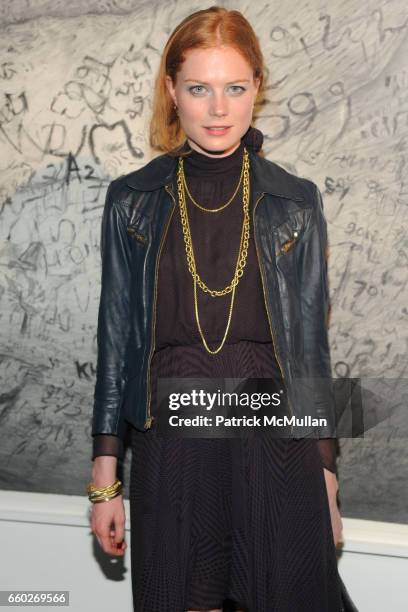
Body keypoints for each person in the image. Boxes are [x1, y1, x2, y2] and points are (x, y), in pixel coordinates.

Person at [88, 6, 344, 611]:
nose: (219, 108)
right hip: (174, 436)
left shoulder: (295, 201)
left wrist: (328, 475)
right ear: (172, 92)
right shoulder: (133, 199)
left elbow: (310, 350)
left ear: (257, 86)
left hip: (273, 433)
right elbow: (116, 339)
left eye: (235, 88)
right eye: (199, 89)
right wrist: (105, 474)